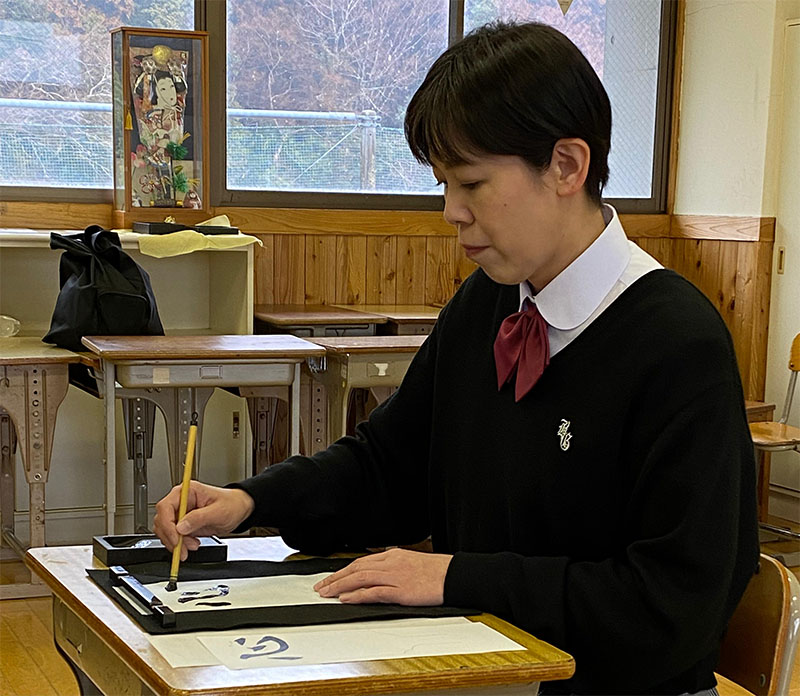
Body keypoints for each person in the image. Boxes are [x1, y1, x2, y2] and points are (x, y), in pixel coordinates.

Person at [154, 21, 758, 695]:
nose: (450, 212)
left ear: (566, 165)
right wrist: (250, 499)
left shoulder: (676, 342)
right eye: (443, 184)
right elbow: (390, 467)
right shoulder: (488, 304)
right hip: (483, 670)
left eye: (470, 183)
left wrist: (454, 576)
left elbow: (672, 608)